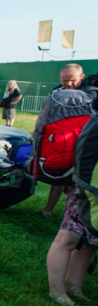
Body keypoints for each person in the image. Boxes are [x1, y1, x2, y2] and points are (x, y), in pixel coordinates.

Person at [39, 63, 98, 218]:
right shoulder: (57, 92)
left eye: (72, 80)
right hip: (60, 141)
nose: (68, 84)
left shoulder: (91, 94)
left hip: (84, 142)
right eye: (65, 81)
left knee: (73, 177)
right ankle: (60, 207)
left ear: (82, 77)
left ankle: (54, 210)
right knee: (60, 174)